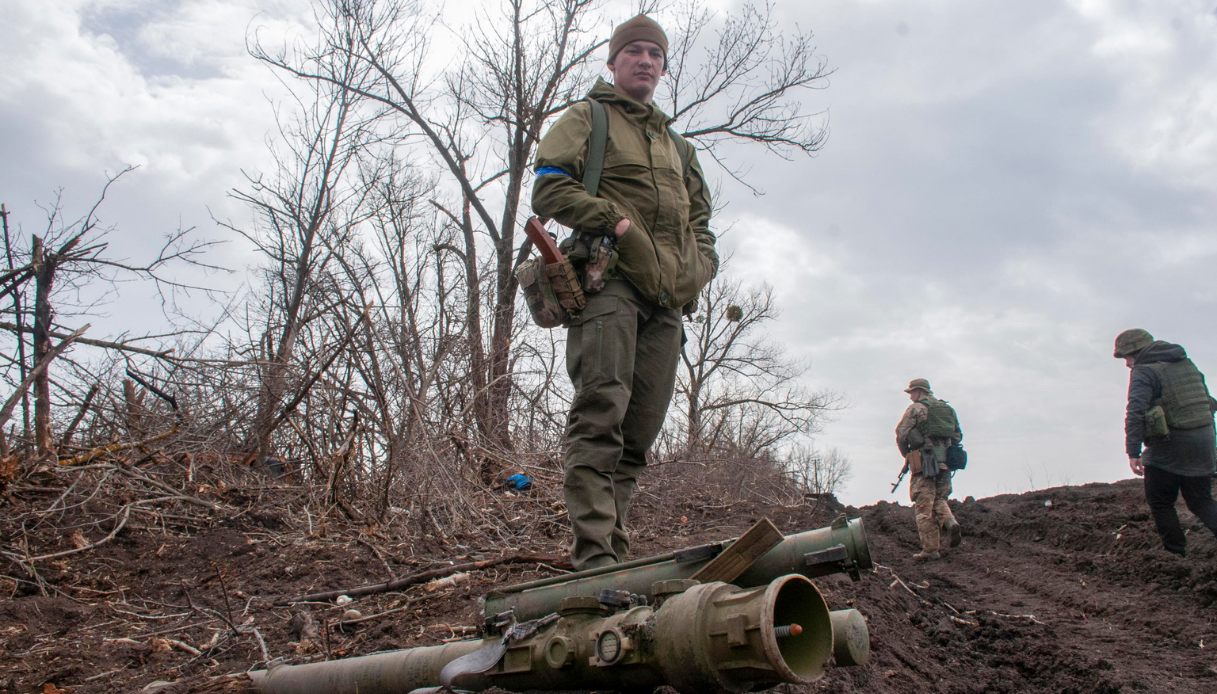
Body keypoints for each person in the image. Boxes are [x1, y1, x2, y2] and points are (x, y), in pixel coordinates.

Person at [531, 15, 719, 570]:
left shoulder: (679, 150)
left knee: (638, 435)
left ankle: (615, 552)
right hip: (610, 284)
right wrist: (614, 221)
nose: (645, 61)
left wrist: (700, 266)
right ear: (613, 63)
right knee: (600, 416)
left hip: (668, 304)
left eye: (655, 55)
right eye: (633, 52)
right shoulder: (589, 118)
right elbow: (548, 185)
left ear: (663, 68)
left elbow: (702, 222)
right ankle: (594, 559)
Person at [1113, 328, 1217, 557]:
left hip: (1170, 445)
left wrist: (1133, 451)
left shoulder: (1144, 370)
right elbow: (1208, 404)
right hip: (1204, 441)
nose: (1127, 364)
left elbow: (1136, 411)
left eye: (1127, 357)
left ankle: (1175, 556)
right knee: (1201, 501)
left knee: (1160, 501)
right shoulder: (1186, 364)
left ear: (1136, 352)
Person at [895, 378, 963, 561]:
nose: (910, 397)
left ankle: (931, 550)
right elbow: (957, 435)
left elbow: (901, 433)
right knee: (940, 498)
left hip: (924, 463)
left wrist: (907, 455)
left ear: (918, 391)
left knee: (923, 506)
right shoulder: (947, 409)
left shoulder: (915, 409)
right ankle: (950, 522)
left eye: (911, 393)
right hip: (946, 462)